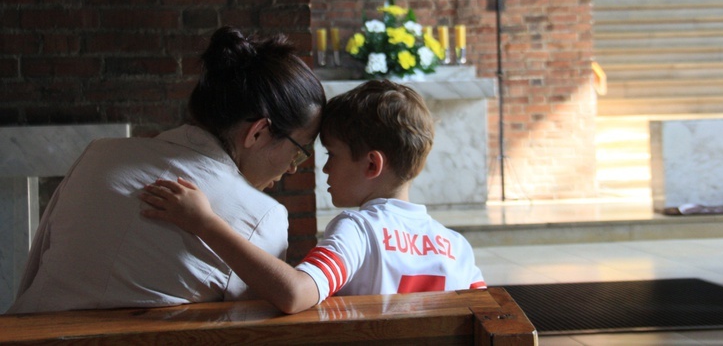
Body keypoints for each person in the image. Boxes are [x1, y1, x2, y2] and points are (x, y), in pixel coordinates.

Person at [8, 26, 326, 313]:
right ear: (257, 133)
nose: (293, 169)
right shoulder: (263, 217)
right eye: (299, 151)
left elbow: (34, 271)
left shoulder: (98, 154)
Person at [140, 79, 486, 314]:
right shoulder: (456, 246)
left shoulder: (359, 231)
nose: (323, 170)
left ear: (371, 164)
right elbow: (486, 314)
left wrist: (204, 223)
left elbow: (294, 294)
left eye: (332, 155)